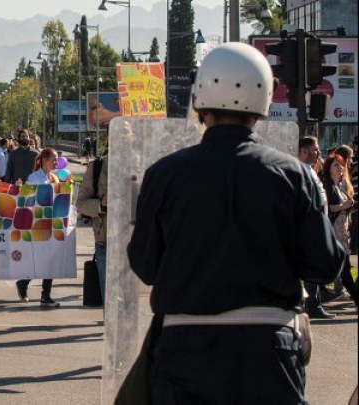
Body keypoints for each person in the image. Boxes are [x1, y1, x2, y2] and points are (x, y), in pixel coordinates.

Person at [127, 42, 345, 405]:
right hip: (269, 352)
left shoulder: (164, 175)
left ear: (199, 99)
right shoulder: (293, 175)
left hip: (184, 352)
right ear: (263, 102)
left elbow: (146, 265)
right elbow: (324, 264)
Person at [297, 135, 340, 318]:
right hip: (307, 227)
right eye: (315, 149)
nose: (319, 152)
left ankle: (312, 303)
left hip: (317, 224)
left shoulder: (311, 170)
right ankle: (311, 305)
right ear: (303, 151)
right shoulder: (300, 171)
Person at [15, 147, 61, 308]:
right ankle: (24, 282)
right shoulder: (34, 177)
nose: (56, 162)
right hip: (37, 223)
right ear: (44, 160)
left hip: (52, 223)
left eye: (57, 159)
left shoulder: (54, 178)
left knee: (51, 259)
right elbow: (26, 197)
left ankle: (45, 295)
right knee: (40, 259)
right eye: (54, 159)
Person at [322, 154, 358, 307]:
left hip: (342, 233)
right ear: (329, 168)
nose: (340, 167)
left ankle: (316, 298)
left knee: (342, 270)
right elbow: (325, 208)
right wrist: (343, 206)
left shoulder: (340, 186)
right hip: (333, 233)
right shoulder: (328, 186)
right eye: (336, 165)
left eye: (341, 165)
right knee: (344, 272)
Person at [76, 149, 108, 302]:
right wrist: (101, 204)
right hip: (105, 242)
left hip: (136, 241)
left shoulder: (141, 165)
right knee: (109, 301)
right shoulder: (97, 167)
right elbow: (80, 204)